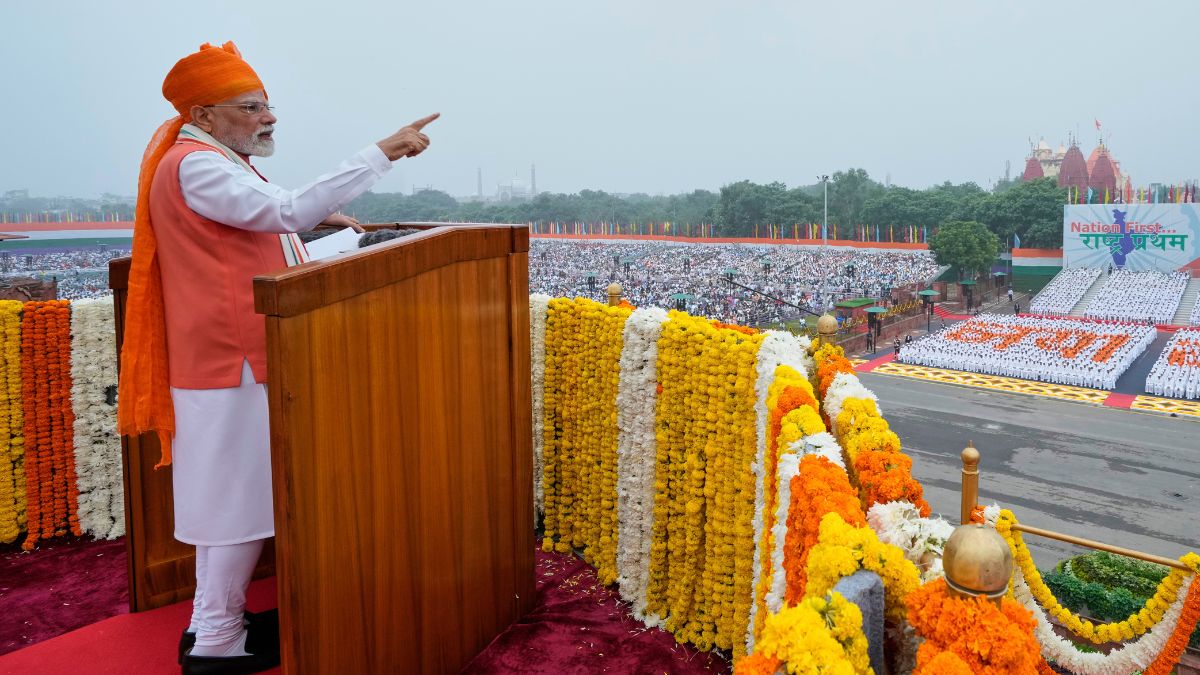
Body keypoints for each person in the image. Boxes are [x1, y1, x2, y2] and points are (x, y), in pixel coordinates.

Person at [117, 42, 438, 675]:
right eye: (250, 107)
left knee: (229, 500)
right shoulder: (197, 166)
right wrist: (381, 153)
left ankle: (214, 624)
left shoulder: (216, 160)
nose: (268, 117)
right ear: (203, 115)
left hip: (230, 359)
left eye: (267, 105)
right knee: (235, 506)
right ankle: (216, 640)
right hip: (229, 360)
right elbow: (286, 212)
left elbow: (272, 242)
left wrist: (343, 239)